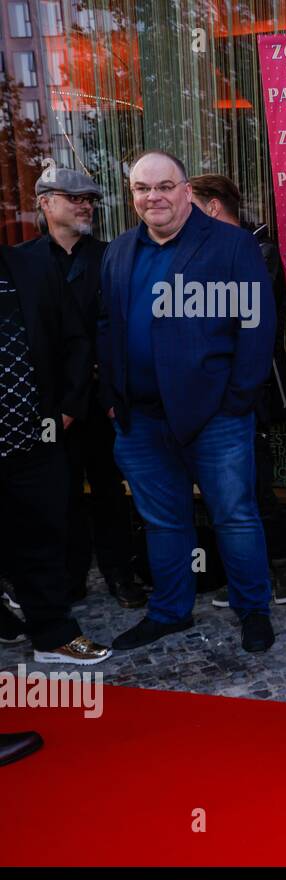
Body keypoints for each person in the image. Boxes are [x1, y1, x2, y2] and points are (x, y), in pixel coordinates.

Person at [96, 150, 277, 654]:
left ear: (185, 191)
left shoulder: (231, 245)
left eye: (164, 186)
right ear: (131, 195)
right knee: (162, 520)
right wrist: (112, 397)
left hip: (216, 417)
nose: (152, 196)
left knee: (235, 516)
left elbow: (257, 327)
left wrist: (238, 400)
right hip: (140, 420)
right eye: (141, 188)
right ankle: (170, 611)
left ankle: (252, 610)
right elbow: (107, 326)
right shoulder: (118, 252)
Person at [22, 167, 146, 609]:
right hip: (47, 403)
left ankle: (120, 574)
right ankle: (69, 578)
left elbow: (126, 327)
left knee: (110, 488)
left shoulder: (113, 256)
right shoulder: (23, 261)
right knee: (59, 490)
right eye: (73, 197)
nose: (84, 205)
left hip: (104, 398)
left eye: (89, 199)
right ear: (45, 203)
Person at [189, 174, 286, 606]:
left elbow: (242, 319)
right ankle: (243, 574)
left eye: (189, 202)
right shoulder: (195, 250)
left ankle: (282, 567)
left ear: (213, 207)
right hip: (206, 391)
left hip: (252, 389)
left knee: (254, 482)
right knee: (223, 489)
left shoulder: (261, 250)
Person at [0, 239, 106, 664]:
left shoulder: (31, 266)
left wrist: (67, 408)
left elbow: (75, 338)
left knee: (43, 537)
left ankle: (52, 634)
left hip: (34, 436)